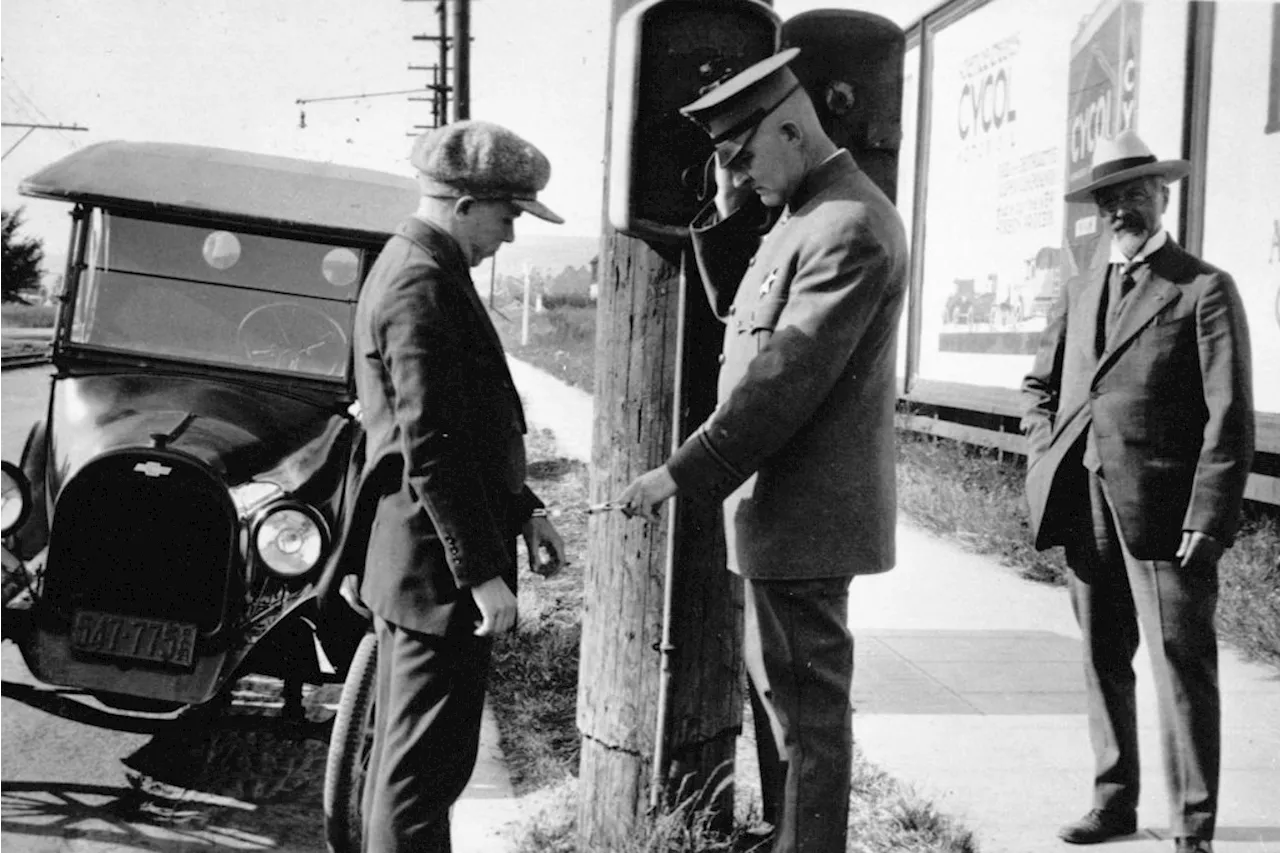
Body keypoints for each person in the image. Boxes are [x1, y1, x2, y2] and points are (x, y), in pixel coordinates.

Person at [616, 48, 908, 853]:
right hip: (778, 518)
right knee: (785, 712)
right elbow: (734, 311)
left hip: (806, 520)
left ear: (791, 127)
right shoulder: (806, 214)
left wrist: (682, 472)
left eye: (744, 158)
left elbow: (780, 379)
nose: (740, 177)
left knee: (809, 726)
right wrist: (721, 202)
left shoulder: (848, 225)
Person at [1021, 130, 1254, 853]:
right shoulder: (1084, 283)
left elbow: (1229, 413)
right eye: (1109, 198)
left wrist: (1208, 515)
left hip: (1164, 515)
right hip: (1084, 500)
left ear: (1164, 195)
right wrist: (1044, 448)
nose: (1121, 207)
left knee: (1181, 666)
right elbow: (1041, 385)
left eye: (1134, 192)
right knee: (1101, 657)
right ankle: (1113, 802)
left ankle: (1191, 824)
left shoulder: (1202, 288)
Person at [346, 119, 566, 853]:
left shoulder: (426, 268)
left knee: (420, 768)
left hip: (425, 563)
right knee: (417, 779)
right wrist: (481, 575)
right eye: (508, 216)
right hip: (435, 573)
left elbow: (465, 429)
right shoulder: (419, 281)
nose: (509, 235)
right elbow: (431, 446)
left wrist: (523, 507)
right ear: (465, 202)